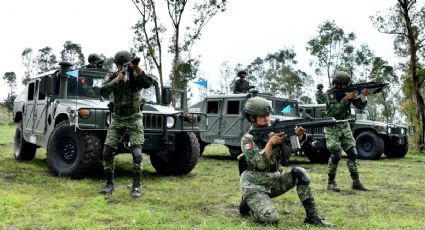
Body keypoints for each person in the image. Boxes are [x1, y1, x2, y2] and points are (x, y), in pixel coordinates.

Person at [238, 96, 331, 227]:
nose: (267, 118)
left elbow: (291, 147)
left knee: (300, 173)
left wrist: (299, 135)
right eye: (262, 116)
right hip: (254, 186)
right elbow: (259, 163)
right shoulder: (247, 139)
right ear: (252, 118)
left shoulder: (274, 131)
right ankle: (248, 202)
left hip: (274, 182)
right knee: (271, 220)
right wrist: (270, 144)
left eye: (268, 115)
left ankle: (312, 216)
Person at [99, 50, 151, 197]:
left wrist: (137, 69)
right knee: (107, 152)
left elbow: (147, 84)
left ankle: (136, 187)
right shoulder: (112, 76)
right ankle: (109, 184)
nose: (121, 66)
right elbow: (102, 91)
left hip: (134, 117)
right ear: (116, 65)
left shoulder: (136, 75)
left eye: (124, 64)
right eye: (120, 64)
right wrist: (117, 81)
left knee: (137, 153)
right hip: (118, 118)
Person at [324, 71, 369, 192]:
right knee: (336, 153)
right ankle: (331, 182)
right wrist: (346, 99)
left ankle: (356, 182)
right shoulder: (330, 93)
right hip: (331, 125)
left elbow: (360, 106)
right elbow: (334, 112)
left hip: (344, 124)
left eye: (347, 84)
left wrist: (363, 95)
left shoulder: (349, 90)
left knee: (353, 153)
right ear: (337, 84)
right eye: (343, 84)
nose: (345, 86)